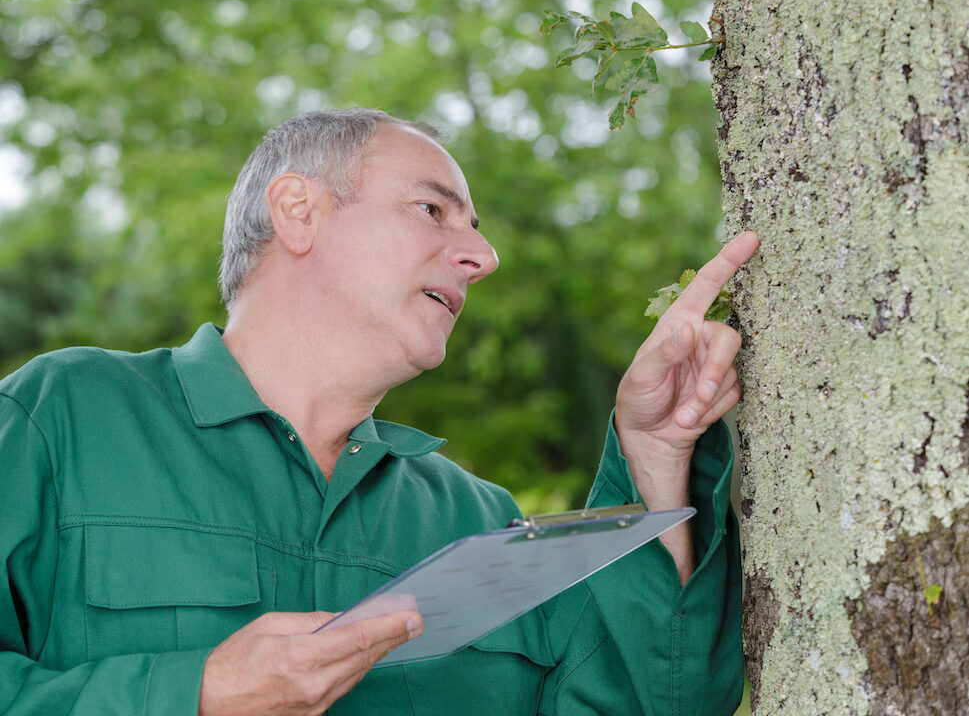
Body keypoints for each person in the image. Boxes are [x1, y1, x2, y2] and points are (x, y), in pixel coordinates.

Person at [0, 108, 759, 715]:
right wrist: (193, 693)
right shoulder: (62, 417)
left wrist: (655, 455)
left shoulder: (480, 522)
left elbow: (663, 699)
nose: (483, 256)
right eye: (433, 209)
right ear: (298, 211)